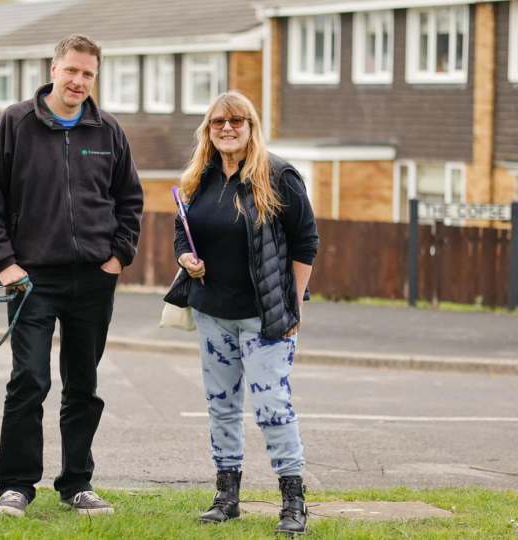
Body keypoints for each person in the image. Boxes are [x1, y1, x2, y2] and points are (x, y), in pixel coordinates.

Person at [0, 34, 143, 518]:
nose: (78, 81)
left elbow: (130, 200)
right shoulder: (16, 123)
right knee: (29, 378)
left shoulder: (107, 131)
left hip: (93, 279)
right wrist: (4, 264)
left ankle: (76, 483)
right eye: (71, 70)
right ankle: (17, 486)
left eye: (88, 73)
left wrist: (118, 257)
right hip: (30, 280)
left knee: (83, 384)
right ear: (53, 68)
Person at [170, 91, 318, 537]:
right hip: (213, 313)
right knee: (222, 407)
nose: (227, 128)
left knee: (272, 407)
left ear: (251, 126)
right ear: (208, 130)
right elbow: (182, 227)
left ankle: (293, 502)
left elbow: (306, 241)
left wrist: (291, 303)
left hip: (264, 316)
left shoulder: (278, 175)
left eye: (237, 121)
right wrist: (185, 258)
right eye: (218, 122)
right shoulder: (200, 176)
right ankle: (227, 497)